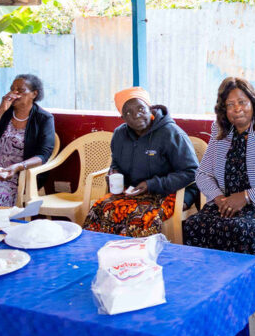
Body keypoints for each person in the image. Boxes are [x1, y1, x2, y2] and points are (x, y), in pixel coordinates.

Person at [83, 87, 199, 237]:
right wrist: (114, 172)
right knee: (100, 209)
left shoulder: (171, 133)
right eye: (128, 113)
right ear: (122, 118)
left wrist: (151, 184)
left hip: (168, 192)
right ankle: (105, 250)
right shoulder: (119, 134)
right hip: (133, 192)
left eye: (140, 109)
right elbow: (116, 162)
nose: (136, 115)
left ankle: (139, 252)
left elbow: (191, 172)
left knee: (140, 218)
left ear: (150, 108)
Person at [183, 77, 255, 256]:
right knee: (194, 224)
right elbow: (202, 173)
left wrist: (246, 197)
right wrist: (219, 198)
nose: (237, 109)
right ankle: (209, 274)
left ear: (253, 102)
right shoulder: (220, 130)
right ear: (224, 109)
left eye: (242, 102)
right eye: (230, 105)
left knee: (241, 229)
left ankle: (249, 274)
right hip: (224, 204)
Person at [0, 74, 55, 206]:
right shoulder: (2, 111)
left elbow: (43, 155)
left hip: (14, 174)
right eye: (12, 89)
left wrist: (18, 167)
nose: (14, 93)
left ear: (34, 94)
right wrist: (1, 109)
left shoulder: (44, 118)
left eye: (21, 90)